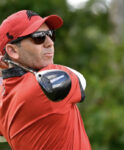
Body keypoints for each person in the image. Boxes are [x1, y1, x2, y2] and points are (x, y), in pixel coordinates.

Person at [0, 10, 91, 150]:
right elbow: (81, 79)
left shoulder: (3, 99)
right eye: (39, 37)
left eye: (50, 34)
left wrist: (5, 69)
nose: (50, 43)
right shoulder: (46, 80)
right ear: (12, 51)